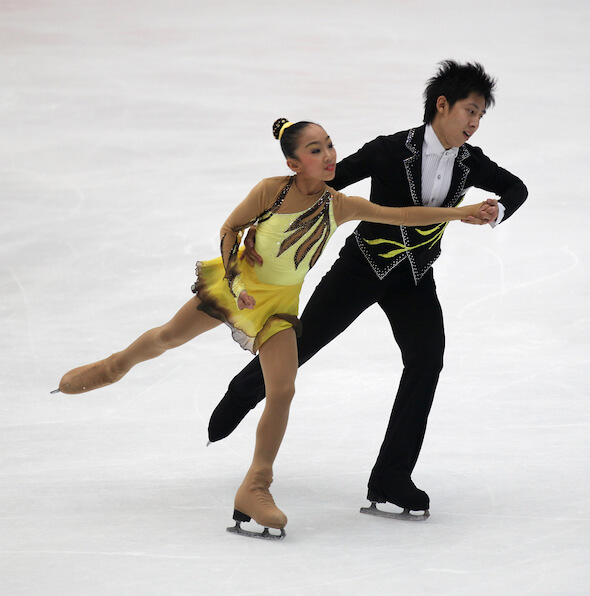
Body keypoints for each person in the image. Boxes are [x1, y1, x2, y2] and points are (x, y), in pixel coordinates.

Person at [53, 116, 490, 538]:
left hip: (279, 309)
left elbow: (400, 214)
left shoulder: (339, 204)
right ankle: (115, 365)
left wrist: (461, 212)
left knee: (282, 389)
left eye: (330, 145)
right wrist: (235, 279)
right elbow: (230, 228)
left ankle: (255, 487)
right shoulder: (271, 192)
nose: (329, 155)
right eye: (315, 150)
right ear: (294, 163)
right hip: (237, 288)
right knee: (169, 335)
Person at [208, 61, 528, 519]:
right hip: (362, 268)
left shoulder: (471, 162)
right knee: (301, 344)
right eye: (470, 111)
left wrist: (495, 211)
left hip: (415, 276)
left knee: (426, 360)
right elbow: (322, 181)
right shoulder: (390, 149)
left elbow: (516, 187)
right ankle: (243, 392)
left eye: (481, 116)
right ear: (442, 105)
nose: (475, 124)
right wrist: (263, 223)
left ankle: (391, 477)